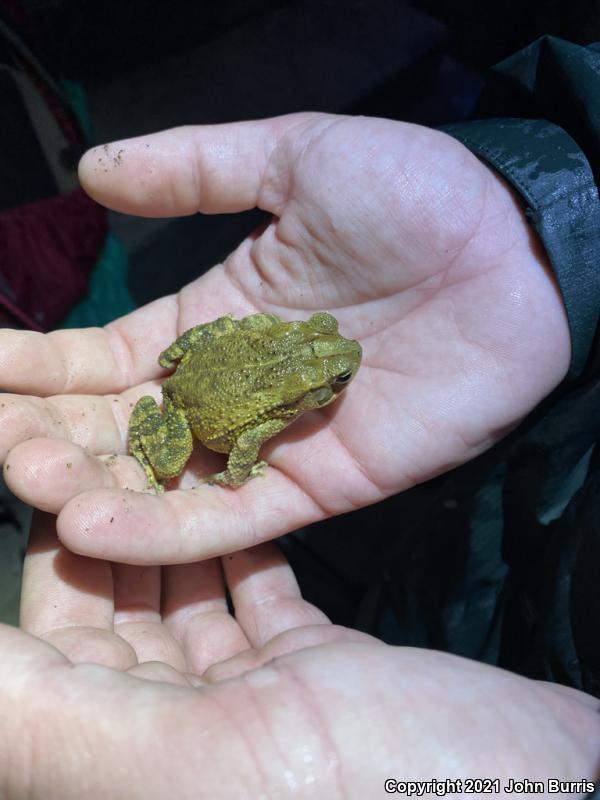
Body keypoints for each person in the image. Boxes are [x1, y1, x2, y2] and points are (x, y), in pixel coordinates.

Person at [0, 47, 599, 799]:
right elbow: (245, 440)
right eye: (336, 376)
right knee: (173, 443)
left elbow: (251, 413)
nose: (345, 376)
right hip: (191, 408)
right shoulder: (284, 406)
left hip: (229, 365)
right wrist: (237, 472)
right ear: (312, 382)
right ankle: (159, 449)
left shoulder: (298, 380)